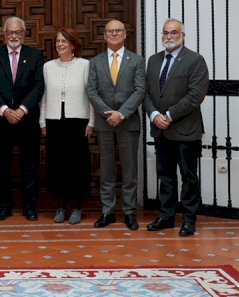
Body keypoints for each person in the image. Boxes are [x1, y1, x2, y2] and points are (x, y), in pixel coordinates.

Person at [144, 18, 209, 237]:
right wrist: (154, 115)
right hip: (160, 129)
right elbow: (145, 92)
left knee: (188, 177)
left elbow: (194, 96)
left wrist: (169, 116)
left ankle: (189, 219)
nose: (168, 36)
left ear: (182, 35)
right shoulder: (153, 60)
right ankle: (166, 216)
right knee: (165, 176)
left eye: (173, 32)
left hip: (185, 130)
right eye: (165, 33)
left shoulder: (195, 60)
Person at [87, 19, 147, 231]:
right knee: (107, 169)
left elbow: (140, 90)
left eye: (118, 31)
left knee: (129, 170)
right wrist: (108, 114)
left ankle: (129, 212)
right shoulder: (95, 62)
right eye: (110, 31)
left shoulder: (137, 61)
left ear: (124, 34)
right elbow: (91, 91)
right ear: (104, 35)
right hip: (105, 124)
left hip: (128, 122)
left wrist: (121, 113)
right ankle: (108, 211)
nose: (113, 34)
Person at [0, 16, 45, 221]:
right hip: (1, 121)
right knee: (1, 166)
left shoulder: (35, 56)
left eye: (18, 32)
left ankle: (29, 207)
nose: (14, 35)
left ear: (24, 34)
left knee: (30, 166)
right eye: (10, 32)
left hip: (27, 120)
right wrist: (4, 110)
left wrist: (21, 110)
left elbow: (38, 86)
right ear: (4, 34)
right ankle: (4, 206)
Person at [39, 28, 95, 225]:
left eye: (64, 41)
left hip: (78, 121)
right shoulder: (48, 67)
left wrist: (91, 122)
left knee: (77, 165)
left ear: (73, 44)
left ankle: (77, 206)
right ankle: (61, 206)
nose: (60, 45)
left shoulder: (85, 65)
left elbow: (91, 95)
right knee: (57, 165)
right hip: (54, 121)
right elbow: (44, 95)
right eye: (57, 41)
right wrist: (42, 121)